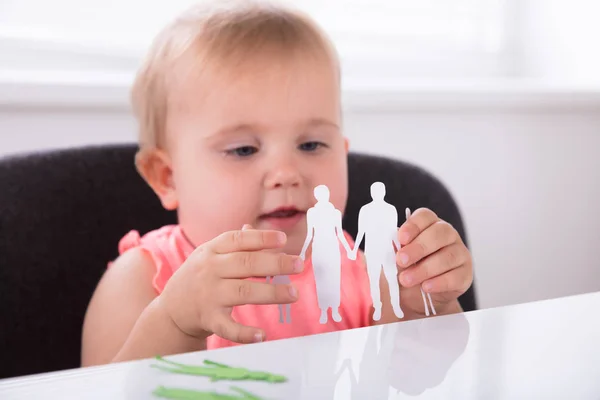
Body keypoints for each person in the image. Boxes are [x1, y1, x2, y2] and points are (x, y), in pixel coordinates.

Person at [81, 0, 474, 367]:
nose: (287, 172)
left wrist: (426, 303)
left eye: (311, 144)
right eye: (243, 150)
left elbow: (414, 378)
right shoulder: (141, 280)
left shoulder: (357, 271)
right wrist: (175, 323)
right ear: (168, 178)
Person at [299, 184, 354, 324]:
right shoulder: (312, 213)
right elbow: (310, 235)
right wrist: (303, 252)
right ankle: (324, 310)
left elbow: (340, 234)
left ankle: (334, 309)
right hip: (319, 248)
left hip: (333, 248)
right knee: (322, 281)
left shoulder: (335, 213)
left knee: (334, 280)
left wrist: (348, 250)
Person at [352, 182, 404, 321]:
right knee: (374, 282)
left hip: (388, 252)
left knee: (391, 280)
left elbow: (394, 232)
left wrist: (401, 250)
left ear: (384, 192)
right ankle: (378, 307)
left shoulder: (391, 209)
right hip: (372, 252)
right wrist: (354, 249)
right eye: (375, 190)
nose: (377, 193)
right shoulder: (365, 210)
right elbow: (361, 232)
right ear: (371, 192)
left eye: (380, 190)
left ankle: (395, 306)